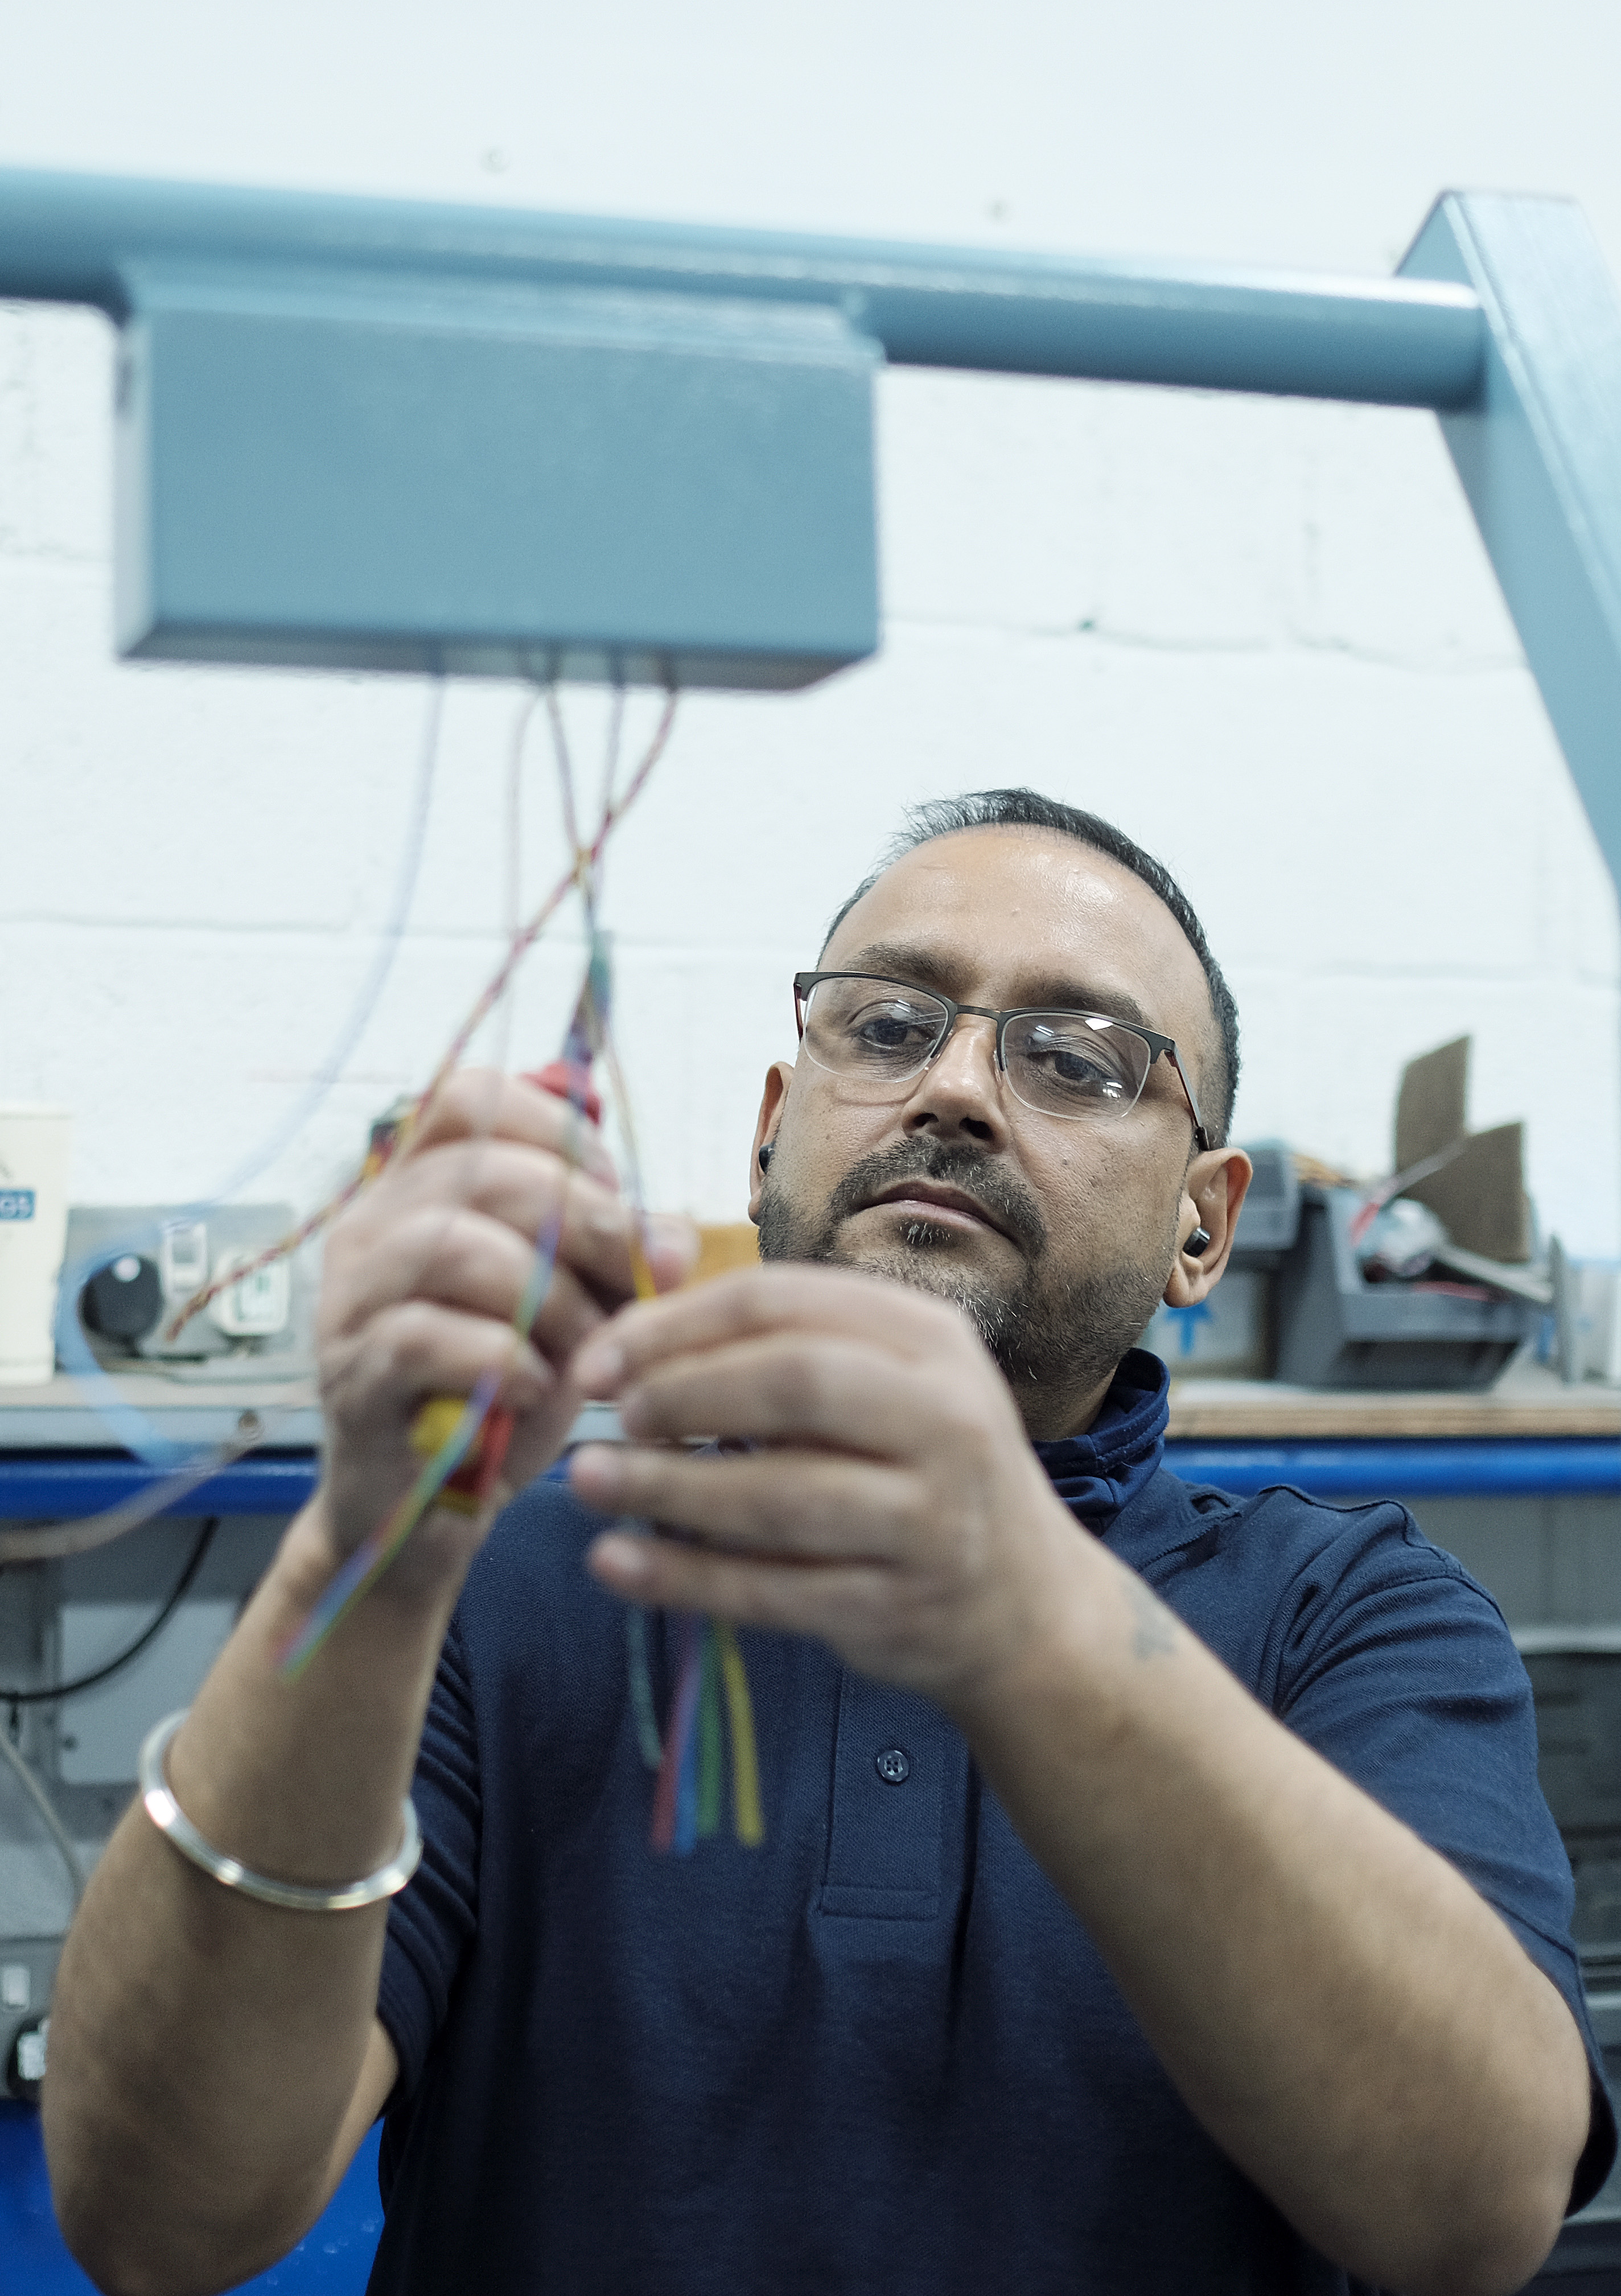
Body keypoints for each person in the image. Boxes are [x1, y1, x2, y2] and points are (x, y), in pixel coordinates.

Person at [44, 789, 1612, 2296]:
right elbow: (155, 2221)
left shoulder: (1351, 1617)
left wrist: (1028, 1616)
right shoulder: (499, 1592)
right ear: (771, 1130)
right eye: (886, 1022)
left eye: (1074, 1058)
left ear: (1205, 1224)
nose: (956, 1086)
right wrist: (359, 1549)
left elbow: (1473, 2208)